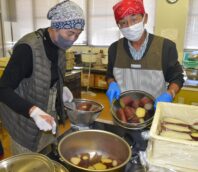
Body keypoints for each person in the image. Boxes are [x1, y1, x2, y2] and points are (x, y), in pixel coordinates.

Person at [0, 0, 85, 155]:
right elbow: (3, 89)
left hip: (47, 116)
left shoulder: (59, 46)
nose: (73, 39)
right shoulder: (28, 48)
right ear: (55, 27)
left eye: (78, 34)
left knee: (46, 158)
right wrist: (32, 111)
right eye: (70, 33)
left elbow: (49, 74)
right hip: (23, 122)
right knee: (28, 163)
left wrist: (60, 88)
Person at [106, 0, 184, 107]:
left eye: (134, 20)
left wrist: (170, 93)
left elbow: (177, 78)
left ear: (145, 18)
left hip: (155, 111)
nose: (129, 26)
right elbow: (110, 75)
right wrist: (111, 83)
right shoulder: (114, 49)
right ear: (118, 25)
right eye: (123, 23)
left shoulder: (165, 47)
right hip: (124, 113)